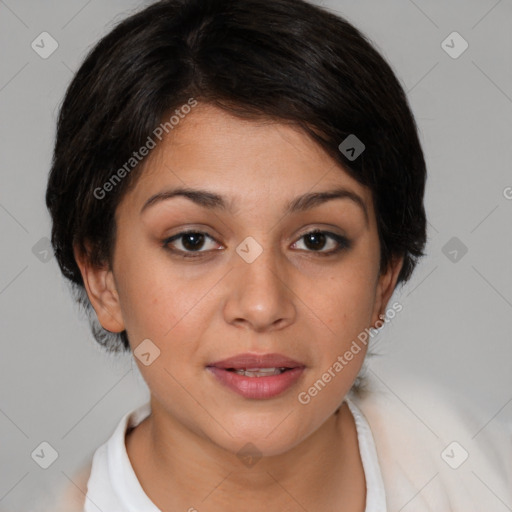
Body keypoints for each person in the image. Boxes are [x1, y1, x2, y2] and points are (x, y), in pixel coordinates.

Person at [44, 0, 511, 510]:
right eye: (193, 240)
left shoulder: (480, 468)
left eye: (316, 240)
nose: (263, 305)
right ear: (101, 276)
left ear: (384, 277)